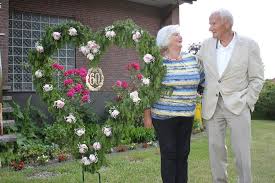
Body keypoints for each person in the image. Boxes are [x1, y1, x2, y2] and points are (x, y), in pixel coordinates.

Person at [197, 9, 264, 183]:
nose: (210, 28)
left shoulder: (249, 45)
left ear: (227, 24)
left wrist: (248, 101)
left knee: (242, 151)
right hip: (212, 105)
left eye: (213, 23)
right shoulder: (206, 45)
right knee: (215, 149)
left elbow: (256, 78)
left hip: (238, 104)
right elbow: (195, 68)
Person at [144, 25, 204, 183]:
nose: (180, 37)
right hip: (164, 117)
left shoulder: (192, 59)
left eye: (180, 34)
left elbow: (204, 81)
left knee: (183, 154)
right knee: (169, 154)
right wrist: (147, 116)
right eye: (175, 35)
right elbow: (146, 90)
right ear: (166, 40)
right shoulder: (156, 63)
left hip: (187, 115)